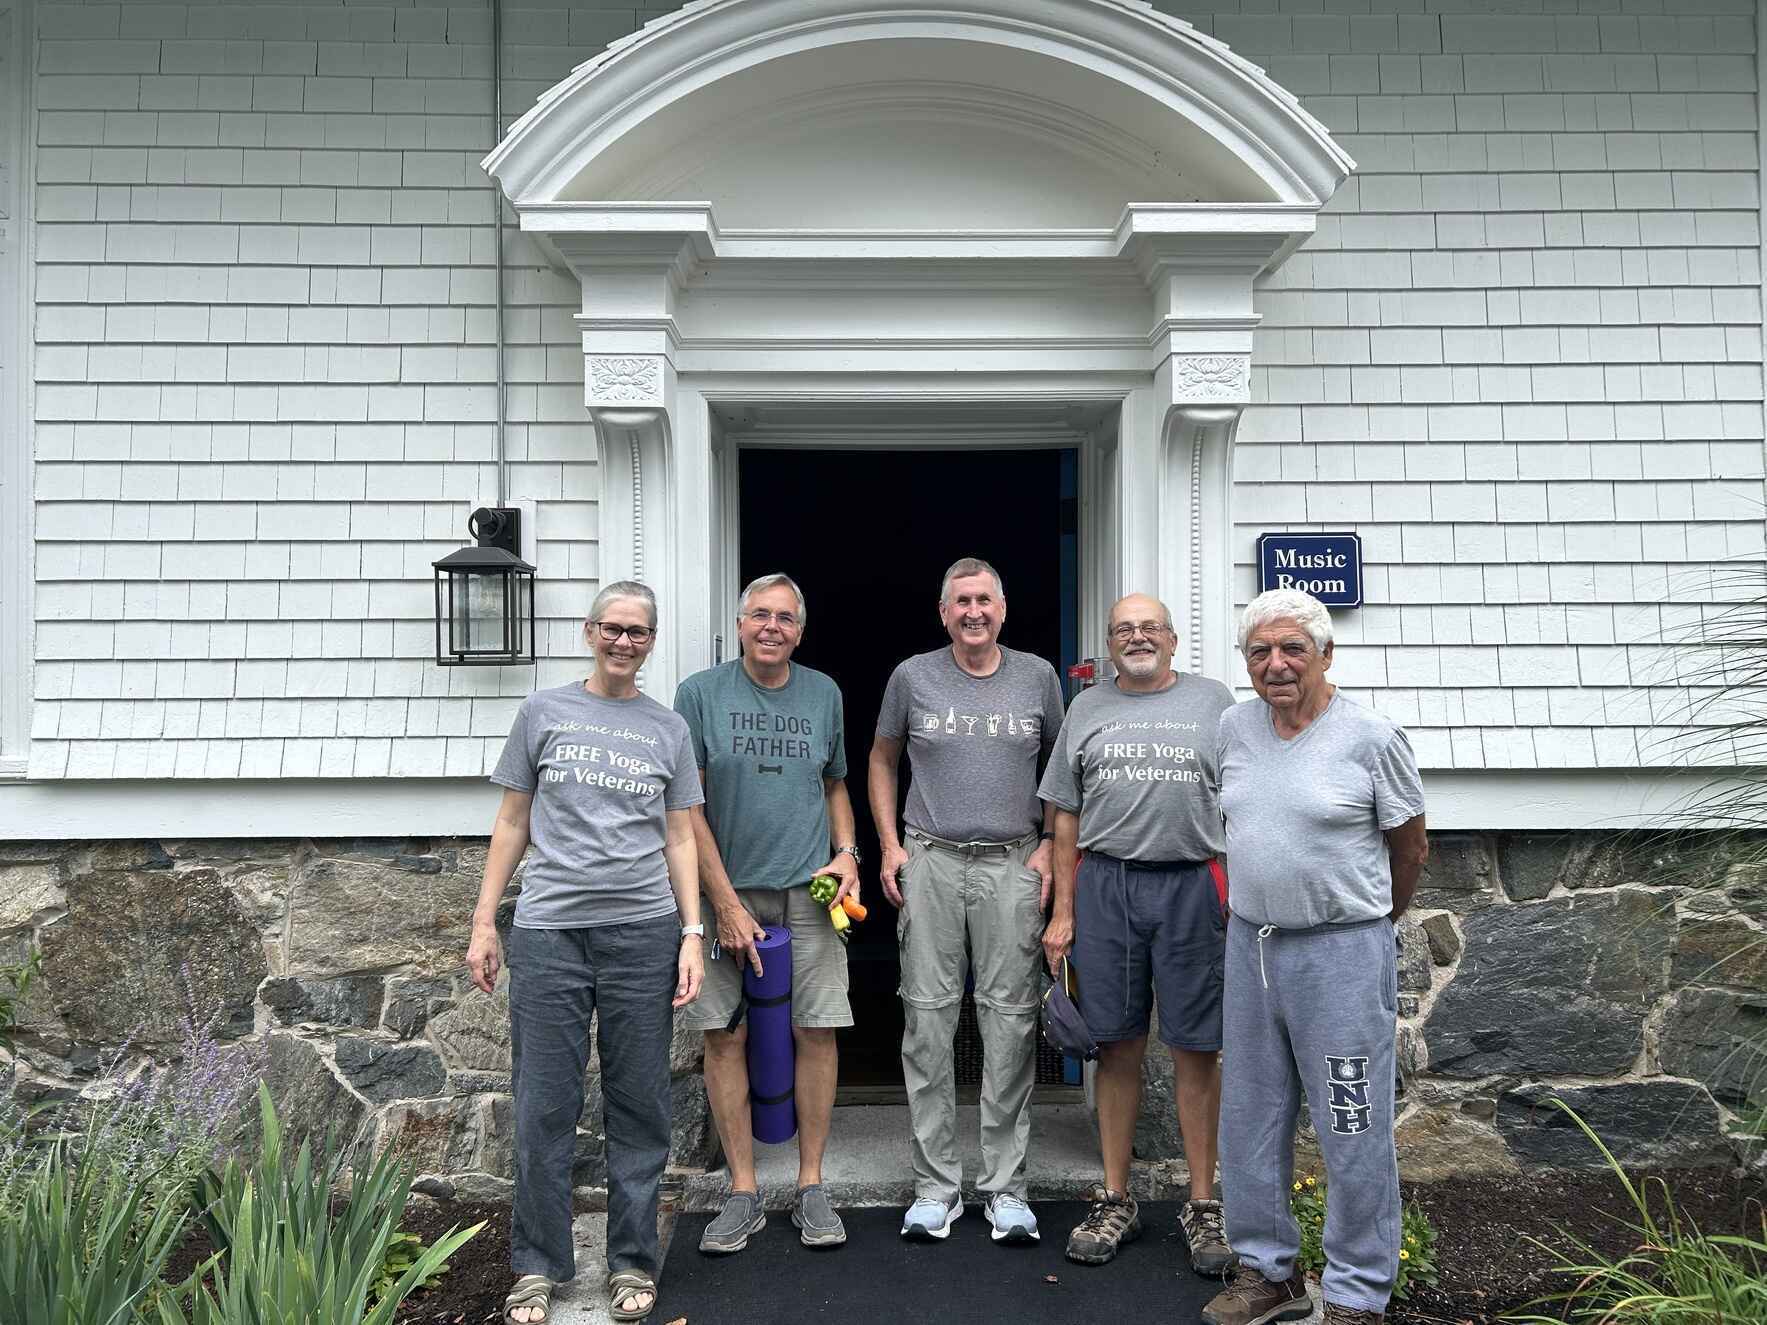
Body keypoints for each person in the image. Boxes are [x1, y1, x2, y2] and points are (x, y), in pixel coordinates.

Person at [467, 581, 705, 1325]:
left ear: (651, 641)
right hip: (549, 934)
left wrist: (692, 932)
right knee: (544, 1103)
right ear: (589, 630)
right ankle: (537, 1266)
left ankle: (632, 1260)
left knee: (639, 1105)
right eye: (613, 628)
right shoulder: (542, 712)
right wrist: (484, 922)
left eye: (638, 632)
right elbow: (512, 822)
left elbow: (680, 836)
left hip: (643, 933)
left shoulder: (667, 729)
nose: (624, 641)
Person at [1202, 589, 1429, 1325]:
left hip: (1340, 952)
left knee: (1350, 1116)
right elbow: (1228, 822)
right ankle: (1268, 1273)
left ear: (1325, 654)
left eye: (1291, 648)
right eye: (1259, 652)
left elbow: (1410, 844)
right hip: (1252, 945)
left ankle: (1358, 1289)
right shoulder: (1232, 728)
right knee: (1249, 1117)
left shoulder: (1369, 736)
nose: (1275, 664)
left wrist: (1364, 923)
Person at [868, 556, 1066, 1245]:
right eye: (961, 601)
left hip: (1013, 860)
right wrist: (890, 844)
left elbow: (1060, 770)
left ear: (1002, 609)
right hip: (931, 857)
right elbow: (881, 757)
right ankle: (935, 1187)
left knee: (1009, 1022)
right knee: (926, 1021)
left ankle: (1006, 1188)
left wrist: (1047, 844)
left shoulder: (1037, 676)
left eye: (984, 599)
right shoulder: (912, 676)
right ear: (943, 611)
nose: (973, 611)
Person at [1038, 593, 1237, 1276]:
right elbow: (1063, 816)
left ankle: (1203, 1203)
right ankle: (1114, 1195)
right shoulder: (1086, 709)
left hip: (1191, 883)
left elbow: (1244, 794)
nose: (1137, 636)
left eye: (1149, 626)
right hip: (1106, 886)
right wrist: (1062, 913)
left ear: (1173, 640)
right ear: (1111, 643)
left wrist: (1236, 882)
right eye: (1123, 628)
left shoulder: (1216, 702)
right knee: (1114, 1045)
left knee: (1195, 1047)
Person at [674, 573, 860, 1254]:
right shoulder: (699, 694)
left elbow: (835, 784)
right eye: (760, 615)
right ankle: (744, 1190)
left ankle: (811, 1183)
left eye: (785, 617)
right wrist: (720, 902)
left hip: (808, 892)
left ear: (800, 630)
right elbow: (684, 807)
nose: (772, 627)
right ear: (740, 623)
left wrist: (848, 854)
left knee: (817, 1027)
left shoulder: (823, 693)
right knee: (724, 1034)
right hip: (724, 888)